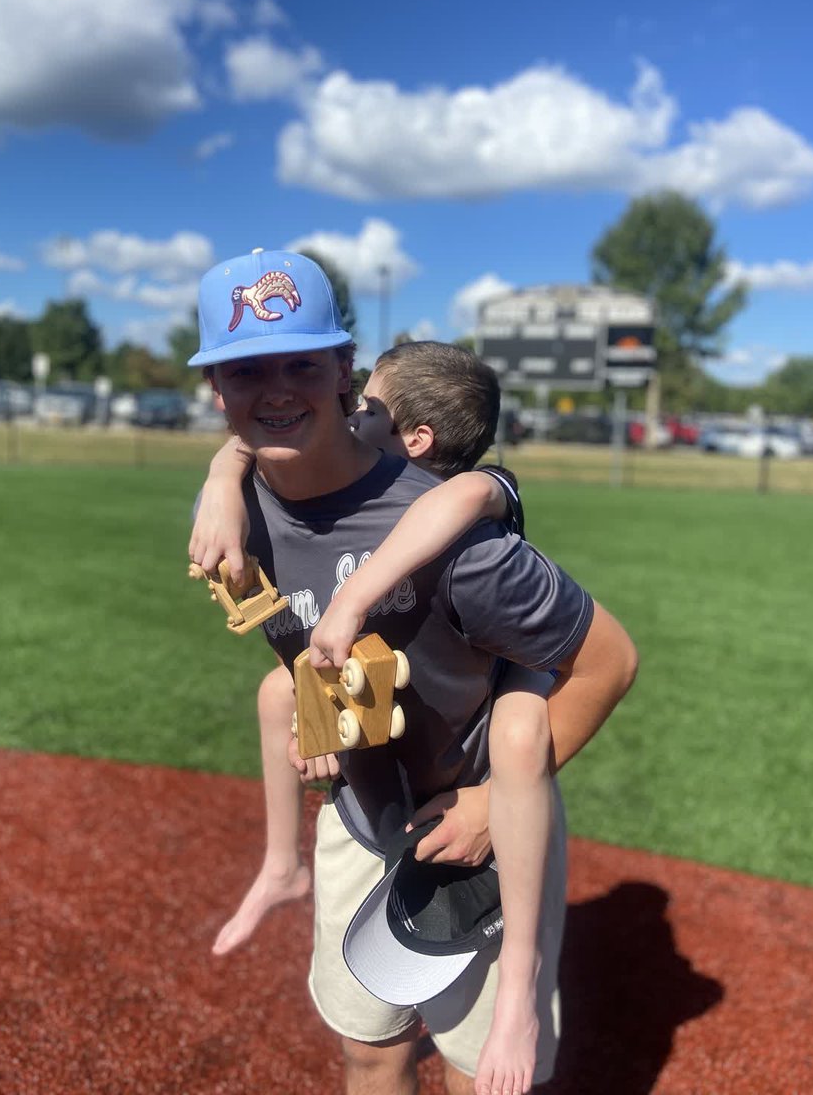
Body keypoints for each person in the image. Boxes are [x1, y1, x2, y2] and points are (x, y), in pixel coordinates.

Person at [187, 249, 638, 1095]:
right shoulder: (233, 515)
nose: (275, 388)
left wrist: (483, 807)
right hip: (358, 815)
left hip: (479, 829)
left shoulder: (460, 543)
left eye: (301, 364)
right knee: (369, 1048)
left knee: (477, 1074)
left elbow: (609, 663)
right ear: (218, 388)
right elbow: (301, 646)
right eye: (247, 369)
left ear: (344, 373)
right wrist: (221, 473)